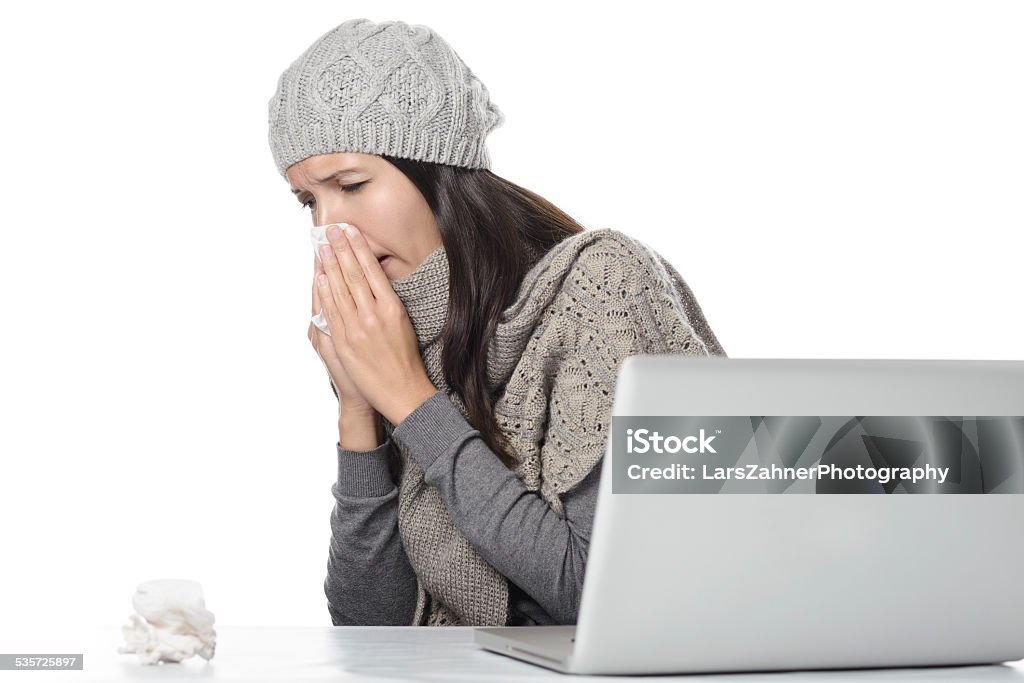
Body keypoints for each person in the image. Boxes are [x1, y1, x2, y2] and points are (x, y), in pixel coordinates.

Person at [267, 17, 728, 627]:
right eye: (310, 202)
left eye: (350, 184)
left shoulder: (601, 286)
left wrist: (410, 401)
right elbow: (369, 631)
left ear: (438, 172)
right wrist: (358, 409)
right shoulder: (404, 337)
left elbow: (601, 596)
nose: (331, 228)